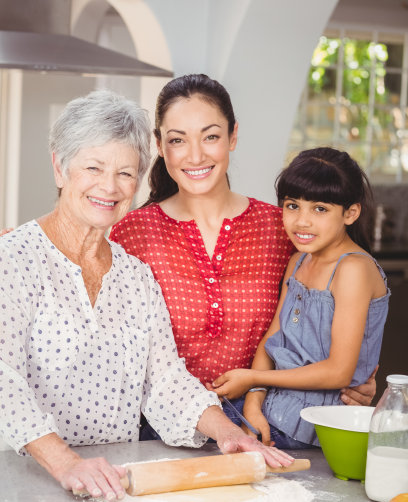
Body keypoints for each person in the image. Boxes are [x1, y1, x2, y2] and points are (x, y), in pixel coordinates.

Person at [0, 90, 294, 501]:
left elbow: (165, 381)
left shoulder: (135, 276)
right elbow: (4, 381)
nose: (110, 185)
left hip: (115, 480)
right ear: (59, 168)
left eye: (126, 173)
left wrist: (228, 434)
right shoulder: (13, 259)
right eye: (93, 167)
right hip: (26, 480)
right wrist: (66, 462)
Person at [110, 74, 376, 437]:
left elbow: (318, 329)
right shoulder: (131, 233)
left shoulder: (282, 229)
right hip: (159, 430)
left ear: (233, 136)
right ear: (159, 144)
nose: (196, 155)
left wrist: (354, 383)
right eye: (177, 140)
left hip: (267, 426)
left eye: (211, 136)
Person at [209, 147, 390, 448]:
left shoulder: (353, 269)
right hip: (270, 415)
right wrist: (254, 402)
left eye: (320, 209)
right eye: (293, 206)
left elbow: (338, 371)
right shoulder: (298, 262)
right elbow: (273, 338)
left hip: (314, 431)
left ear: (350, 213)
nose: (302, 221)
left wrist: (253, 378)